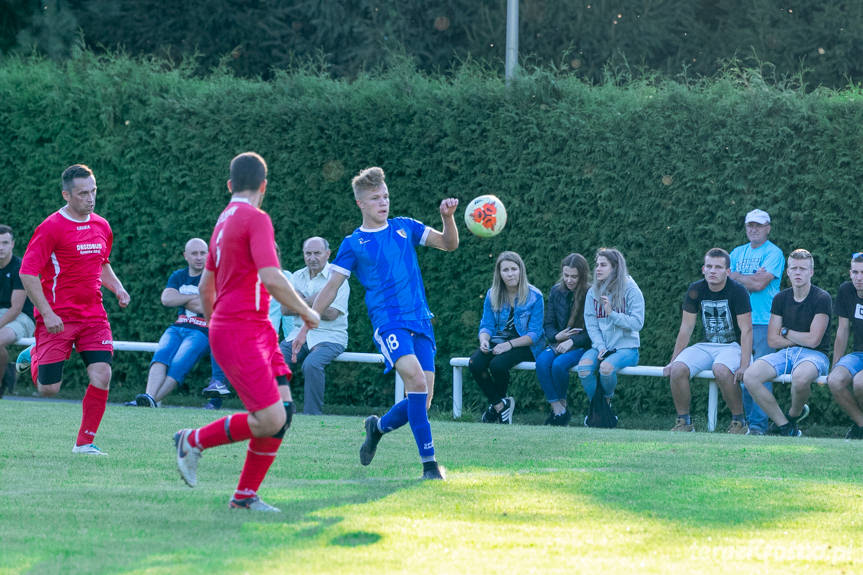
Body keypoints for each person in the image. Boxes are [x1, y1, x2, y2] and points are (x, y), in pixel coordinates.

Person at [173, 152, 320, 511]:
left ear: (229, 186)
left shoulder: (222, 222)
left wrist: (213, 325)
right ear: (264, 187)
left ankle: (244, 496)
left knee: (283, 411)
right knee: (270, 417)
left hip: (251, 330)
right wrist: (307, 311)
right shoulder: (256, 218)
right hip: (241, 329)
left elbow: (206, 285)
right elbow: (272, 277)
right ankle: (192, 440)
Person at [294, 166, 457, 480]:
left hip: (421, 320)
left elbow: (448, 244)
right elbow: (330, 288)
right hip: (389, 323)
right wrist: (305, 326)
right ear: (361, 204)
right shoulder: (353, 243)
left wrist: (447, 218)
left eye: (385, 196)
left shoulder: (405, 227)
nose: (383, 202)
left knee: (421, 403)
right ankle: (429, 466)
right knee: (417, 383)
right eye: (375, 198)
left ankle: (377, 427)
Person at [19, 164, 130, 454]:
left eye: (93, 191)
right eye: (83, 193)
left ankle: (85, 443)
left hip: (93, 316)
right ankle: (33, 354)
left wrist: (117, 288)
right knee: (48, 389)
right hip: (57, 317)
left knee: (102, 374)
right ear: (66, 195)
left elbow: (102, 263)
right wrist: (47, 312)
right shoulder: (50, 228)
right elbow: (28, 273)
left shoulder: (102, 226)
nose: (90, 198)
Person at [743, 249, 831, 437]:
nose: (798, 272)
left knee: (800, 379)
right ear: (788, 272)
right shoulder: (780, 298)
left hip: (816, 356)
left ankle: (793, 415)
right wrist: (796, 338)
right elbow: (772, 339)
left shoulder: (822, 298)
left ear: (811, 272)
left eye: (803, 268)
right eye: (794, 268)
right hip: (785, 353)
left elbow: (814, 341)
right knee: (750, 376)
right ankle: (785, 426)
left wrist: (786, 331)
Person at [663, 248, 753, 433]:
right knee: (678, 369)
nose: (713, 271)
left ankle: (739, 423)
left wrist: (744, 365)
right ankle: (684, 422)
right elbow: (686, 328)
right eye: (709, 266)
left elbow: (747, 329)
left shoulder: (738, 291)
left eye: (718, 267)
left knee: (720, 369)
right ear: (703, 269)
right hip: (706, 345)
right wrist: (673, 360)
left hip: (732, 346)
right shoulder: (695, 289)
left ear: (728, 272)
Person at [130, 238, 214, 407]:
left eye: (203, 253)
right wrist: (196, 298)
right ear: (186, 256)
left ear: (208, 255)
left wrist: (182, 299)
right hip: (177, 327)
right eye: (194, 253)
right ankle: (149, 398)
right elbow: (167, 299)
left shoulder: (214, 277)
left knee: (179, 364)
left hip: (202, 330)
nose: (199, 257)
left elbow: (210, 307)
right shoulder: (178, 276)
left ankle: (149, 401)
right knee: (160, 357)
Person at [470, 251, 544, 425]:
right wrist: (484, 340)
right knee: (475, 363)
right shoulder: (492, 294)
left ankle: (496, 407)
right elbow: (486, 325)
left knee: (497, 365)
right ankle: (500, 405)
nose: (510, 274)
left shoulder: (535, 296)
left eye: (514, 269)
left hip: (525, 345)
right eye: (505, 270)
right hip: (499, 341)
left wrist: (509, 345)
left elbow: (535, 334)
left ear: (521, 270)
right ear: (499, 273)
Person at [728, 208, 784, 435]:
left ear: (768, 228)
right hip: (740, 322)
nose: (754, 229)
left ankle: (759, 426)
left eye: (759, 226)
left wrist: (736, 277)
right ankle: (746, 424)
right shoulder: (735, 252)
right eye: (750, 225)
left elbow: (759, 284)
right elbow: (724, 281)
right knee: (741, 373)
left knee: (760, 374)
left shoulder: (774, 253)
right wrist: (748, 278)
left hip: (765, 321)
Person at [279, 236, 349, 415]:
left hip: (330, 336)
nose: (312, 258)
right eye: (308, 253)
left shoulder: (338, 279)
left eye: (317, 253)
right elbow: (285, 310)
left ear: (327, 254)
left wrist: (302, 301)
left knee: (311, 364)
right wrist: (318, 301)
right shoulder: (296, 276)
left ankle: (312, 415)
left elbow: (332, 314)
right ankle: (283, 409)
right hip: (298, 335)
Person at [577, 248, 644, 410]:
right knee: (584, 369)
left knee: (606, 369)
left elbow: (637, 323)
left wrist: (612, 314)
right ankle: (601, 410)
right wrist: (600, 346)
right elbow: (591, 324)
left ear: (615, 268)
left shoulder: (631, 289)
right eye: (597, 264)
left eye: (603, 265)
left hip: (626, 348)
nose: (597, 269)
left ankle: (604, 405)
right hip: (601, 347)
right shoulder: (593, 292)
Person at [535, 254, 590, 426]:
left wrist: (572, 341)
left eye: (574, 276)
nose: (569, 280)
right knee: (542, 362)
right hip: (558, 342)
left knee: (559, 365)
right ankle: (558, 409)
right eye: (566, 275)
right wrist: (556, 336)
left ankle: (561, 409)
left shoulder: (591, 293)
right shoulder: (556, 291)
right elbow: (549, 323)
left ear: (582, 275)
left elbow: (593, 332)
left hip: (582, 345)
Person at [826, 253, 863, 440]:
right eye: (855, 272)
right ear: (850, 273)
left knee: (860, 383)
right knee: (834, 380)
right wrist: (836, 363)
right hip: (858, 354)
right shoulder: (846, 291)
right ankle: (861, 425)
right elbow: (842, 330)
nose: (859, 277)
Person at [0, 225, 35, 397]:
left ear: (12, 244)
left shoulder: (20, 268)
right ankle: (7, 372)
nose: (0, 247)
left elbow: (16, 308)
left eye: (5, 243)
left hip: (22, 317)